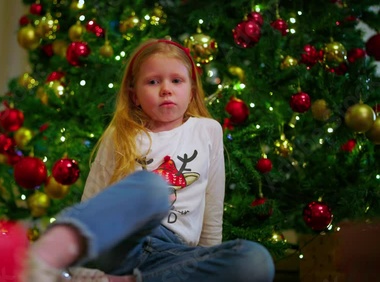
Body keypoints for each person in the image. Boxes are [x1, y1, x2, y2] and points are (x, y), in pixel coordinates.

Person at [28, 38, 275, 282]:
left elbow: (212, 205)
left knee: (254, 260)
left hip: (172, 254)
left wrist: (206, 254)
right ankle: (60, 255)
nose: (166, 88)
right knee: (153, 188)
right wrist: (84, 266)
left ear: (191, 92)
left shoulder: (207, 130)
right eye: (153, 81)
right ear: (135, 96)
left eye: (176, 81)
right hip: (120, 241)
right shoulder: (121, 134)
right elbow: (94, 198)